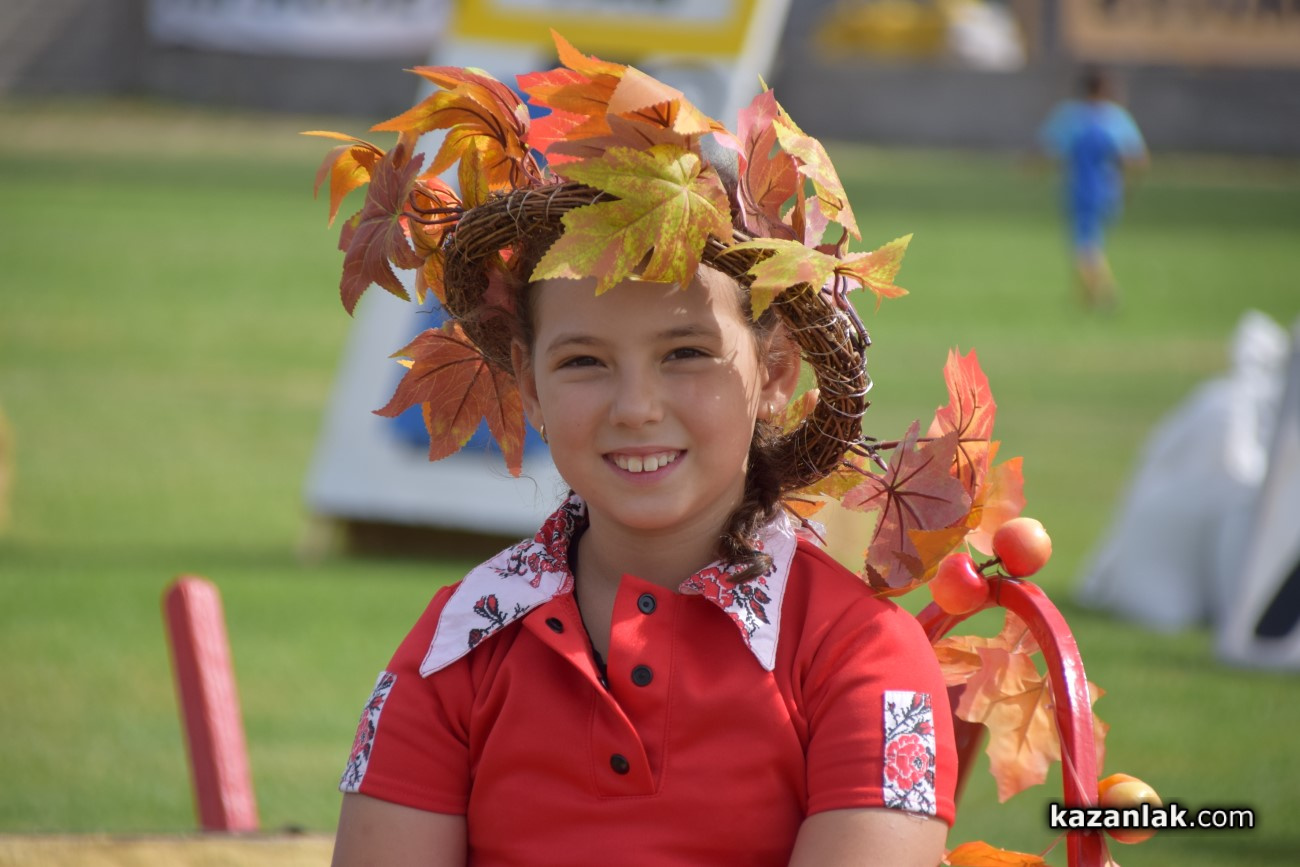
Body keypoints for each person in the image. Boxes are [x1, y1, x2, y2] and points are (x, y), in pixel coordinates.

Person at [318, 39, 957, 867]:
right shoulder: (456, 642)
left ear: (775, 372)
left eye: (685, 353)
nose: (635, 407)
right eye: (584, 362)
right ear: (529, 385)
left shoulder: (861, 652)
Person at [1038, 67, 1149, 311]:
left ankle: (1107, 292)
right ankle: (1085, 298)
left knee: (1085, 245)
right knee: (1092, 242)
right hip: (1109, 191)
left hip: (1080, 190)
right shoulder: (1116, 118)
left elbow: (1050, 150)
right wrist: (1128, 186)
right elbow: (1137, 158)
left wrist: (1032, 168)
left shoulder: (1071, 117)